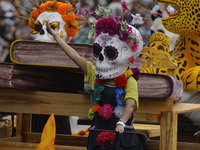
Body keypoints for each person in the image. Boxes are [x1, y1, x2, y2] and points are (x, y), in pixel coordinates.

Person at [46, 5, 143, 150]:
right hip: (98, 134)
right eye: (98, 51)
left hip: (121, 135)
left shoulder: (129, 80)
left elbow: (129, 104)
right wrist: (57, 38)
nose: (102, 58)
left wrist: (121, 122)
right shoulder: (94, 74)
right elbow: (75, 56)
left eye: (110, 53)